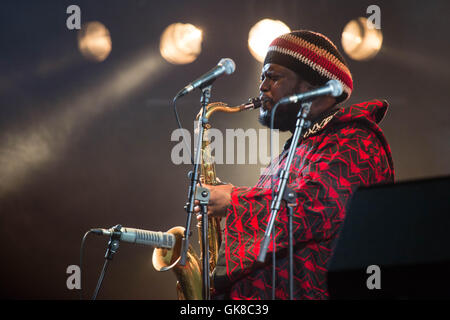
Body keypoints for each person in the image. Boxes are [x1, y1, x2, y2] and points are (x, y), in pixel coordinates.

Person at [194, 30, 394, 299]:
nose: (262, 86)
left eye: (273, 77)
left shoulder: (356, 140)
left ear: (312, 86)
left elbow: (315, 206)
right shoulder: (296, 149)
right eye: (262, 77)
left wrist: (233, 201)